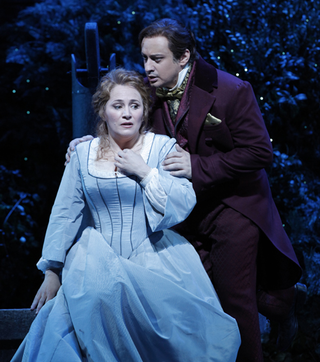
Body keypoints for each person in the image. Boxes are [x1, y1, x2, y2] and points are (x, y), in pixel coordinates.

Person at [67, 19, 307, 362]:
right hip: (183, 212)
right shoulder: (151, 93)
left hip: (233, 206)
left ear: (184, 58)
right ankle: (280, 301)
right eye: (145, 58)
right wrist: (90, 145)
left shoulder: (231, 90)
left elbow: (259, 153)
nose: (148, 67)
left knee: (234, 300)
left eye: (157, 59)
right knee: (193, 298)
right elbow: (125, 127)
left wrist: (198, 166)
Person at [12, 68, 241, 362]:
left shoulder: (161, 147)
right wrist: (52, 270)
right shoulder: (83, 154)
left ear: (145, 110)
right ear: (103, 111)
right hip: (95, 258)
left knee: (175, 324)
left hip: (155, 256)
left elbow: (184, 201)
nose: (127, 113)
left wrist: (145, 173)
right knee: (90, 305)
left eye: (135, 105)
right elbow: (65, 213)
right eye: (117, 106)